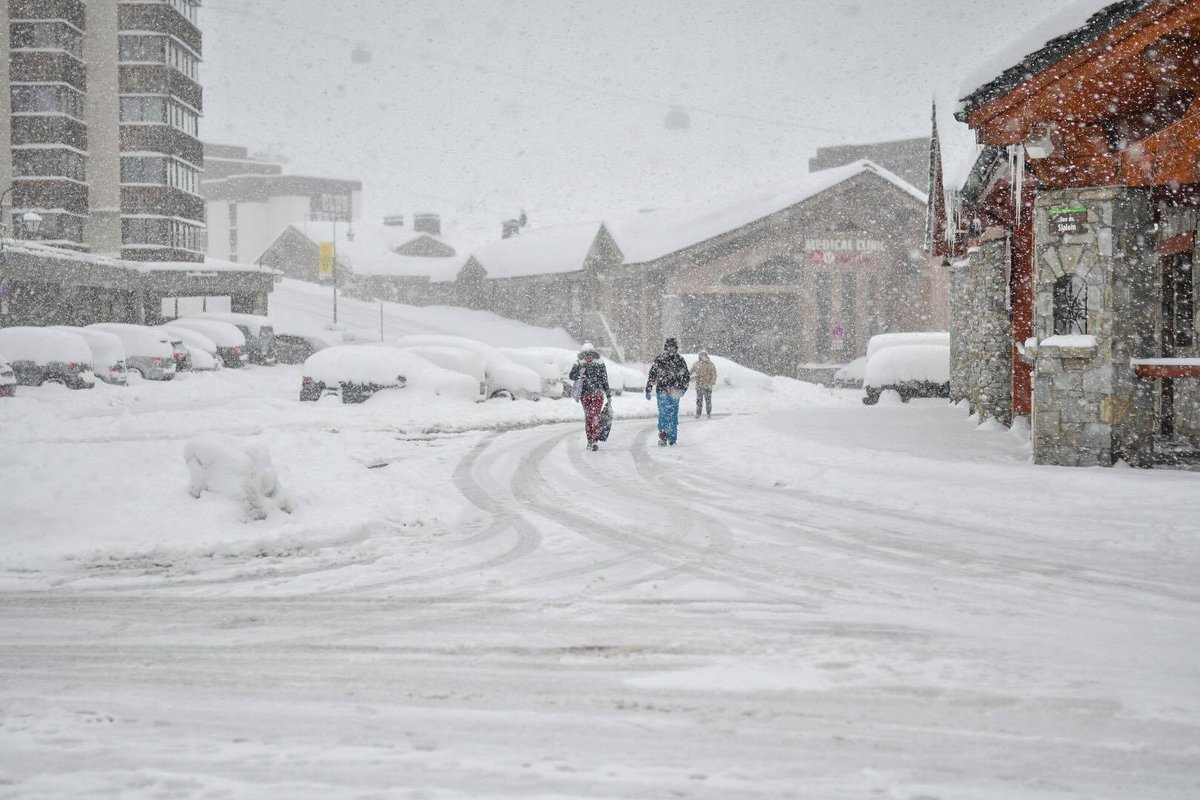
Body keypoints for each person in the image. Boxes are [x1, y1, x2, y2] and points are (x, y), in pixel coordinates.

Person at [645, 337, 690, 446]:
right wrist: (649, 388)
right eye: (669, 347)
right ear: (666, 347)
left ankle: (672, 438)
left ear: (675, 348)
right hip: (662, 391)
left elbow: (686, 376)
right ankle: (663, 435)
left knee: (673, 414)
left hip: (675, 391)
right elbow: (652, 374)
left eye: (672, 347)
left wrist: (682, 389)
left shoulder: (680, 360)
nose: (670, 349)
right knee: (664, 413)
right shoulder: (660, 359)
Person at [569, 343, 611, 451]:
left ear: (594, 355)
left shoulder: (600, 364)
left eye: (590, 355)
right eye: (586, 355)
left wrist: (608, 394)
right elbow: (571, 376)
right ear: (583, 356)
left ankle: (595, 439)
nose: (588, 357)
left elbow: (604, 379)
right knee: (588, 417)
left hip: (597, 395)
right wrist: (579, 372)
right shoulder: (579, 364)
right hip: (585, 395)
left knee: (595, 415)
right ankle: (590, 440)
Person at [690, 350, 717, 418]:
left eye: (704, 356)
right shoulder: (696, 364)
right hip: (699, 386)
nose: (702, 357)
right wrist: (692, 378)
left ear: (707, 356)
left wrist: (711, 383)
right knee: (699, 401)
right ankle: (698, 414)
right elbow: (691, 372)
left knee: (708, 401)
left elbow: (714, 374)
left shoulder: (710, 364)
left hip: (708, 386)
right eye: (701, 356)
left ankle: (708, 413)